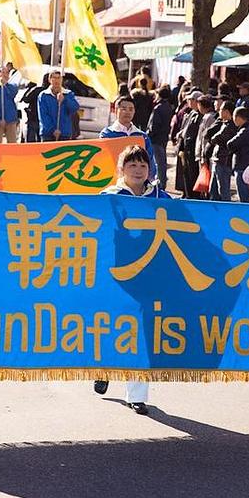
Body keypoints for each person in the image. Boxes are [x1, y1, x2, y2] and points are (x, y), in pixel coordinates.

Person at [92, 144, 170, 415]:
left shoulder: (161, 197)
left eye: (143, 165)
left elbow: (187, 224)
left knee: (142, 333)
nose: (138, 170)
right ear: (121, 169)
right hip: (116, 274)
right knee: (114, 326)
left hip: (150, 275)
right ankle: (104, 368)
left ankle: (136, 395)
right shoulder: (108, 196)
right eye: (132, 165)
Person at [100, 95, 158, 178]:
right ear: (115, 110)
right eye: (123, 109)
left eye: (131, 109)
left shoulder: (142, 136)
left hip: (137, 183)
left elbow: (150, 162)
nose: (127, 112)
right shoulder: (107, 134)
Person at [206, 101, 237, 201]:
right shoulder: (223, 123)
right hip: (217, 159)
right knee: (213, 190)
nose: (219, 111)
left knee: (223, 190)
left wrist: (214, 139)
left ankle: (226, 212)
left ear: (227, 112)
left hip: (223, 161)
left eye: (221, 109)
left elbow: (216, 138)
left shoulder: (230, 126)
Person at [38, 70, 80, 141]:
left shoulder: (68, 94)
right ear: (50, 80)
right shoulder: (44, 95)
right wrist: (53, 130)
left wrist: (65, 100)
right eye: (54, 78)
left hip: (64, 133)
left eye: (59, 78)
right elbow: (43, 115)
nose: (56, 80)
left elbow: (74, 108)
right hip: (48, 134)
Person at [146, 86, 174, 189]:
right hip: (163, 138)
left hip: (155, 139)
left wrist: (148, 134)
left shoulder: (158, 108)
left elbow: (154, 125)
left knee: (157, 162)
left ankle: (160, 183)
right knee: (161, 162)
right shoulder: (168, 107)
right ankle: (162, 181)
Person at [0, 66, 20, 143]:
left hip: (11, 120)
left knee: (12, 144)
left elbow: (13, 94)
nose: (5, 75)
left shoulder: (12, 87)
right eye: (3, 72)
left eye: (7, 73)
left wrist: (5, 85)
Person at [20, 77, 48, 142]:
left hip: (34, 117)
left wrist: (30, 88)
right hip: (41, 119)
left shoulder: (36, 90)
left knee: (31, 140)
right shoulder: (51, 92)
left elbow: (25, 99)